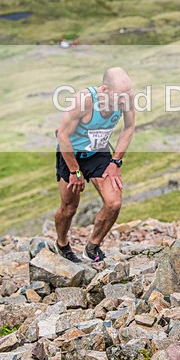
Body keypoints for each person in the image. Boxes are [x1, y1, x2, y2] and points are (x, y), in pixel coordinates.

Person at [54, 67, 136, 263]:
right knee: (69, 207)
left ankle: (92, 246)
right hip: (71, 154)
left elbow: (129, 127)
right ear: (104, 89)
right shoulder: (84, 101)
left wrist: (115, 161)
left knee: (113, 203)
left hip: (98, 153)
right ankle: (62, 244)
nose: (124, 101)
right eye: (120, 96)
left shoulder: (126, 99)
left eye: (128, 94)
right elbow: (63, 136)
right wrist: (75, 171)